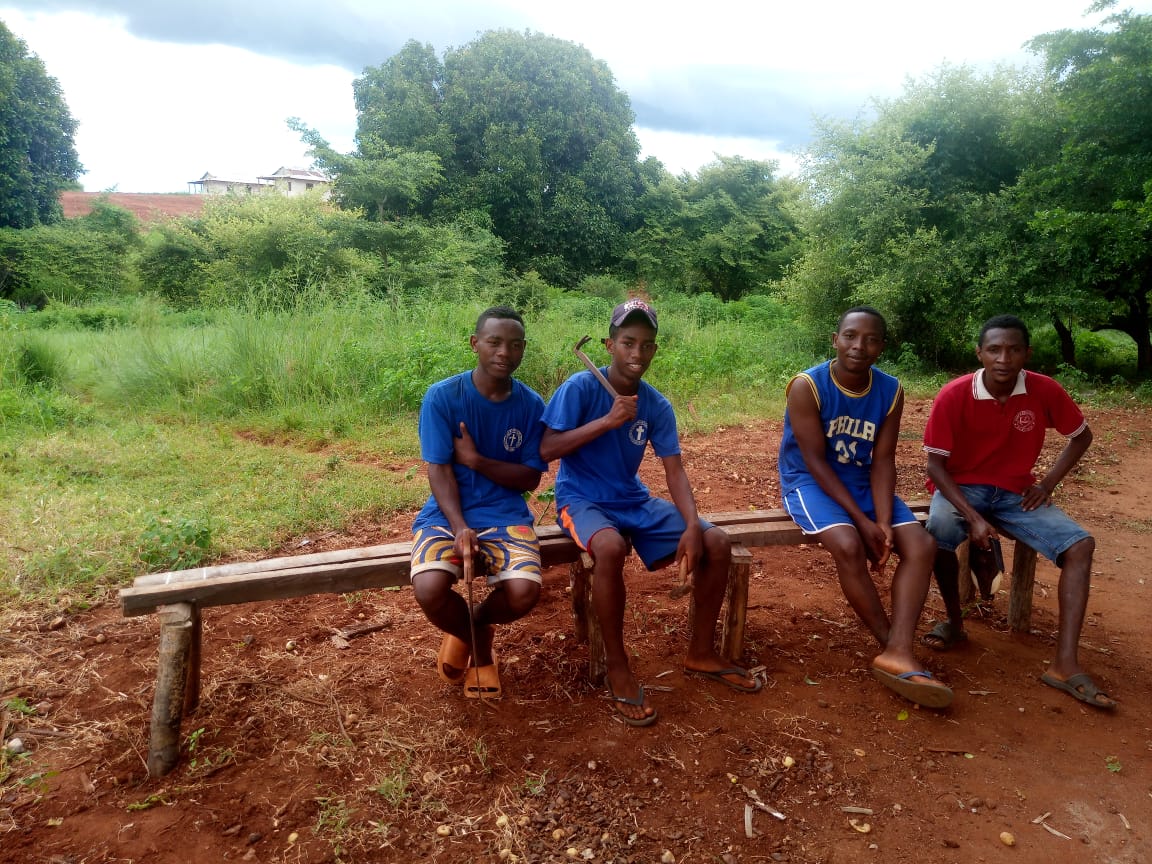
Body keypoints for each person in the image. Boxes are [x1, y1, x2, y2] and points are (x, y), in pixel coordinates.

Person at [540, 299, 760, 726]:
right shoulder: (580, 388)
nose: (636, 353)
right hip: (580, 500)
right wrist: (607, 421)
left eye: (645, 344)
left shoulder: (655, 405)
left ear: (655, 350)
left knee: (715, 541)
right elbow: (547, 449)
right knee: (609, 548)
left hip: (632, 499)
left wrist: (692, 524)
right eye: (627, 342)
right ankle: (618, 666)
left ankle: (701, 653)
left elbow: (674, 470)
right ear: (609, 345)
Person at [921, 314, 1115, 709]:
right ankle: (955, 623)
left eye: (1013, 350)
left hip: (1015, 493)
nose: (1004, 358)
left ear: (1027, 353)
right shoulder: (954, 394)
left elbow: (1081, 437)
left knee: (1080, 546)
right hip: (961, 488)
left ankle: (1064, 664)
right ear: (979, 353)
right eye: (994, 349)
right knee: (937, 532)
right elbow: (935, 467)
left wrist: (1046, 484)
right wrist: (974, 517)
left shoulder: (1044, 390)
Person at [778, 306, 953, 709]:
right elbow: (814, 462)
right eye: (851, 336)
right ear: (835, 340)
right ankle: (891, 645)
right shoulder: (808, 386)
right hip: (809, 482)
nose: (860, 346)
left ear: (882, 347)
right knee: (848, 544)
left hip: (861, 481)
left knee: (922, 546)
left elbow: (883, 460)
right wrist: (862, 521)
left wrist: (884, 521)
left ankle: (899, 650)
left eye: (871, 339)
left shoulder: (890, 390)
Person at [409, 306, 547, 700]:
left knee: (524, 593)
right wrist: (459, 528)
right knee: (429, 589)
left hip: (505, 514)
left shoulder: (531, 405)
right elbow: (439, 470)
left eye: (515, 344)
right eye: (494, 342)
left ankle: (473, 626)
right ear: (475, 344)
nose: (505, 352)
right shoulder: (443, 397)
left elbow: (530, 479)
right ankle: (479, 643)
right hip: (446, 514)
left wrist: (477, 461)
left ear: (523, 349)